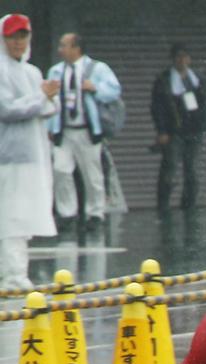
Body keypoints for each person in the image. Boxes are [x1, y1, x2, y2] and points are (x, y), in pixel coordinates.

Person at [0, 14, 58, 289]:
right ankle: (12, 275)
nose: (18, 42)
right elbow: (7, 109)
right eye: (13, 36)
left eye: (23, 36)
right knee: (11, 216)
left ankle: (14, 272)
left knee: (23, 218)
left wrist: (47, 97)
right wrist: (41, 97)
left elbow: (45, 109)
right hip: (8, 158)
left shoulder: (32, 72)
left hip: (33, 158)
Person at [47, 33, 121, 231]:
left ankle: (95, 213)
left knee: (92, 173)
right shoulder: (56, 71)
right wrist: (50, 127)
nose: (60, 49)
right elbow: (49, 99)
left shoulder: (96, 69)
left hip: (87, 130)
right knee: (61, 170)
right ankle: (67, 213)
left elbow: (114, 90)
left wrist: (95, 88)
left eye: (64, 45)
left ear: (76, 48)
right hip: (64, 130)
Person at [151, 43, 206, 216]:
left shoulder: (197, 79)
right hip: (174, 131)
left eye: (185, 57)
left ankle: (189, 205)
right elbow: (157, 107)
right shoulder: (164, 79)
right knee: (169, 169)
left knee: (192, 171)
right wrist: (162, 131)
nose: (182, 60)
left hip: (194, 131)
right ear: (173, 59)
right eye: (178, 57)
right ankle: (163, 206)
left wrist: (203, 126)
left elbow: (204, 104)